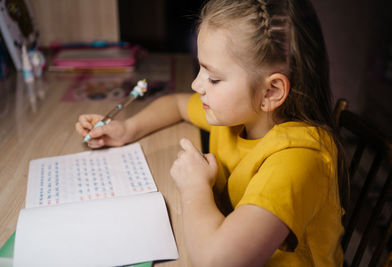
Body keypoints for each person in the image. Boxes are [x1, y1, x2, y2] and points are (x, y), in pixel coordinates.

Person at [75, 0, 348, 265]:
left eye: (213, 78)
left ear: (271, 91)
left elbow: (218, 260)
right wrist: (126, 129)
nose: (196, 84)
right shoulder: (240, 115)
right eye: (200, 69)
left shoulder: (297, 159)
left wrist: (194, 187)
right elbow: (178, 104)